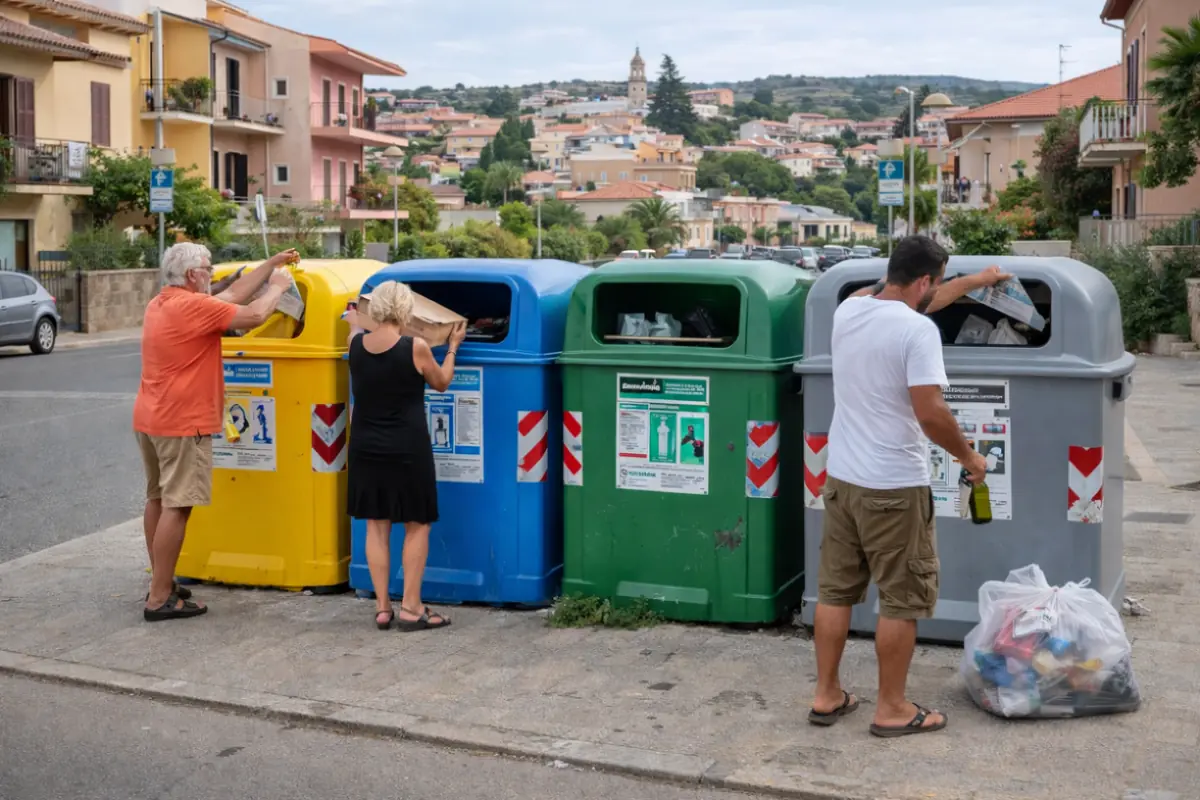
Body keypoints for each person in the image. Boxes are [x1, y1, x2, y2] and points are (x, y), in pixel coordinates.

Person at [809, 235, 988, 737]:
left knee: (835, 593)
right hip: (893, 486)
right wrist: (968, 456)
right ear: (925, 280)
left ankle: (826, 695)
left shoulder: (850, 308)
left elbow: (909, 296)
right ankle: (891, 708)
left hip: (842, 480)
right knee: (901, 599)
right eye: (937, 282)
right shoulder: (917, 331)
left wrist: (974, 282)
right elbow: (930, 413)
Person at [134, 243, 298, 622]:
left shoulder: (163, 302)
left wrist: (271, 263)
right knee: (178, 505)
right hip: (182, 422)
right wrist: (278, 286)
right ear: (193, 275)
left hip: (150, 417)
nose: (212, 273)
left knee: (157, 498)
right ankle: (159, 598)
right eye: (208, 268)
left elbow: (233, 294)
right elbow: (255, 314)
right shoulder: (194, 307)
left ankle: (162, 580)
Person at [347, 280, 465, 632]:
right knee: (417, 522)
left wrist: (354, 318)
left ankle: (383, 607)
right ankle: (412, 608)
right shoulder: (415, 347)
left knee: (376, 523)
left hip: (365, 445)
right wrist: (453, 348)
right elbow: (441, 382)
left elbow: (354, 327)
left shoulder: (355, 345)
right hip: (406, 446)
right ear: (405, 310)